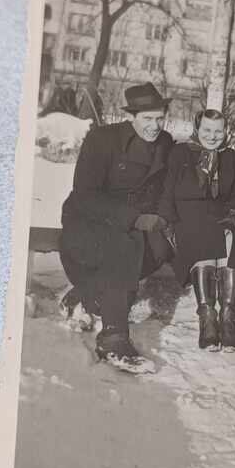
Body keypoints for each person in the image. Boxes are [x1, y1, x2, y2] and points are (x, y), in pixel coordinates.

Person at [59, 83, 174, 371]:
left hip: (135, 225)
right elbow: (84, 194)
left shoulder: (165, 144)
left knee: (160, 249)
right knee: (123, 248)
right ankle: (113, 337)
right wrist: (132, 217)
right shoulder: (103, 139)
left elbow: (166, 188)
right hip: (89, 221)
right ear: (132, 116)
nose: (154, 126)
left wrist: (161, 217)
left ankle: (86, 294)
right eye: (147, 118)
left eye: (160, 118)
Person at [158, 109, 235, 351]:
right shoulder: (180, 153)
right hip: (187, 218)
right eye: (207, 130)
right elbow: (167, 192)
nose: (212, 136)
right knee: (202, 232)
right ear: (197, 129)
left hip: (223, 217)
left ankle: (228, 319)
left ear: (226, 131)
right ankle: (207, 318)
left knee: (232, 239)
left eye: (218, 131)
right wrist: (168, 223)